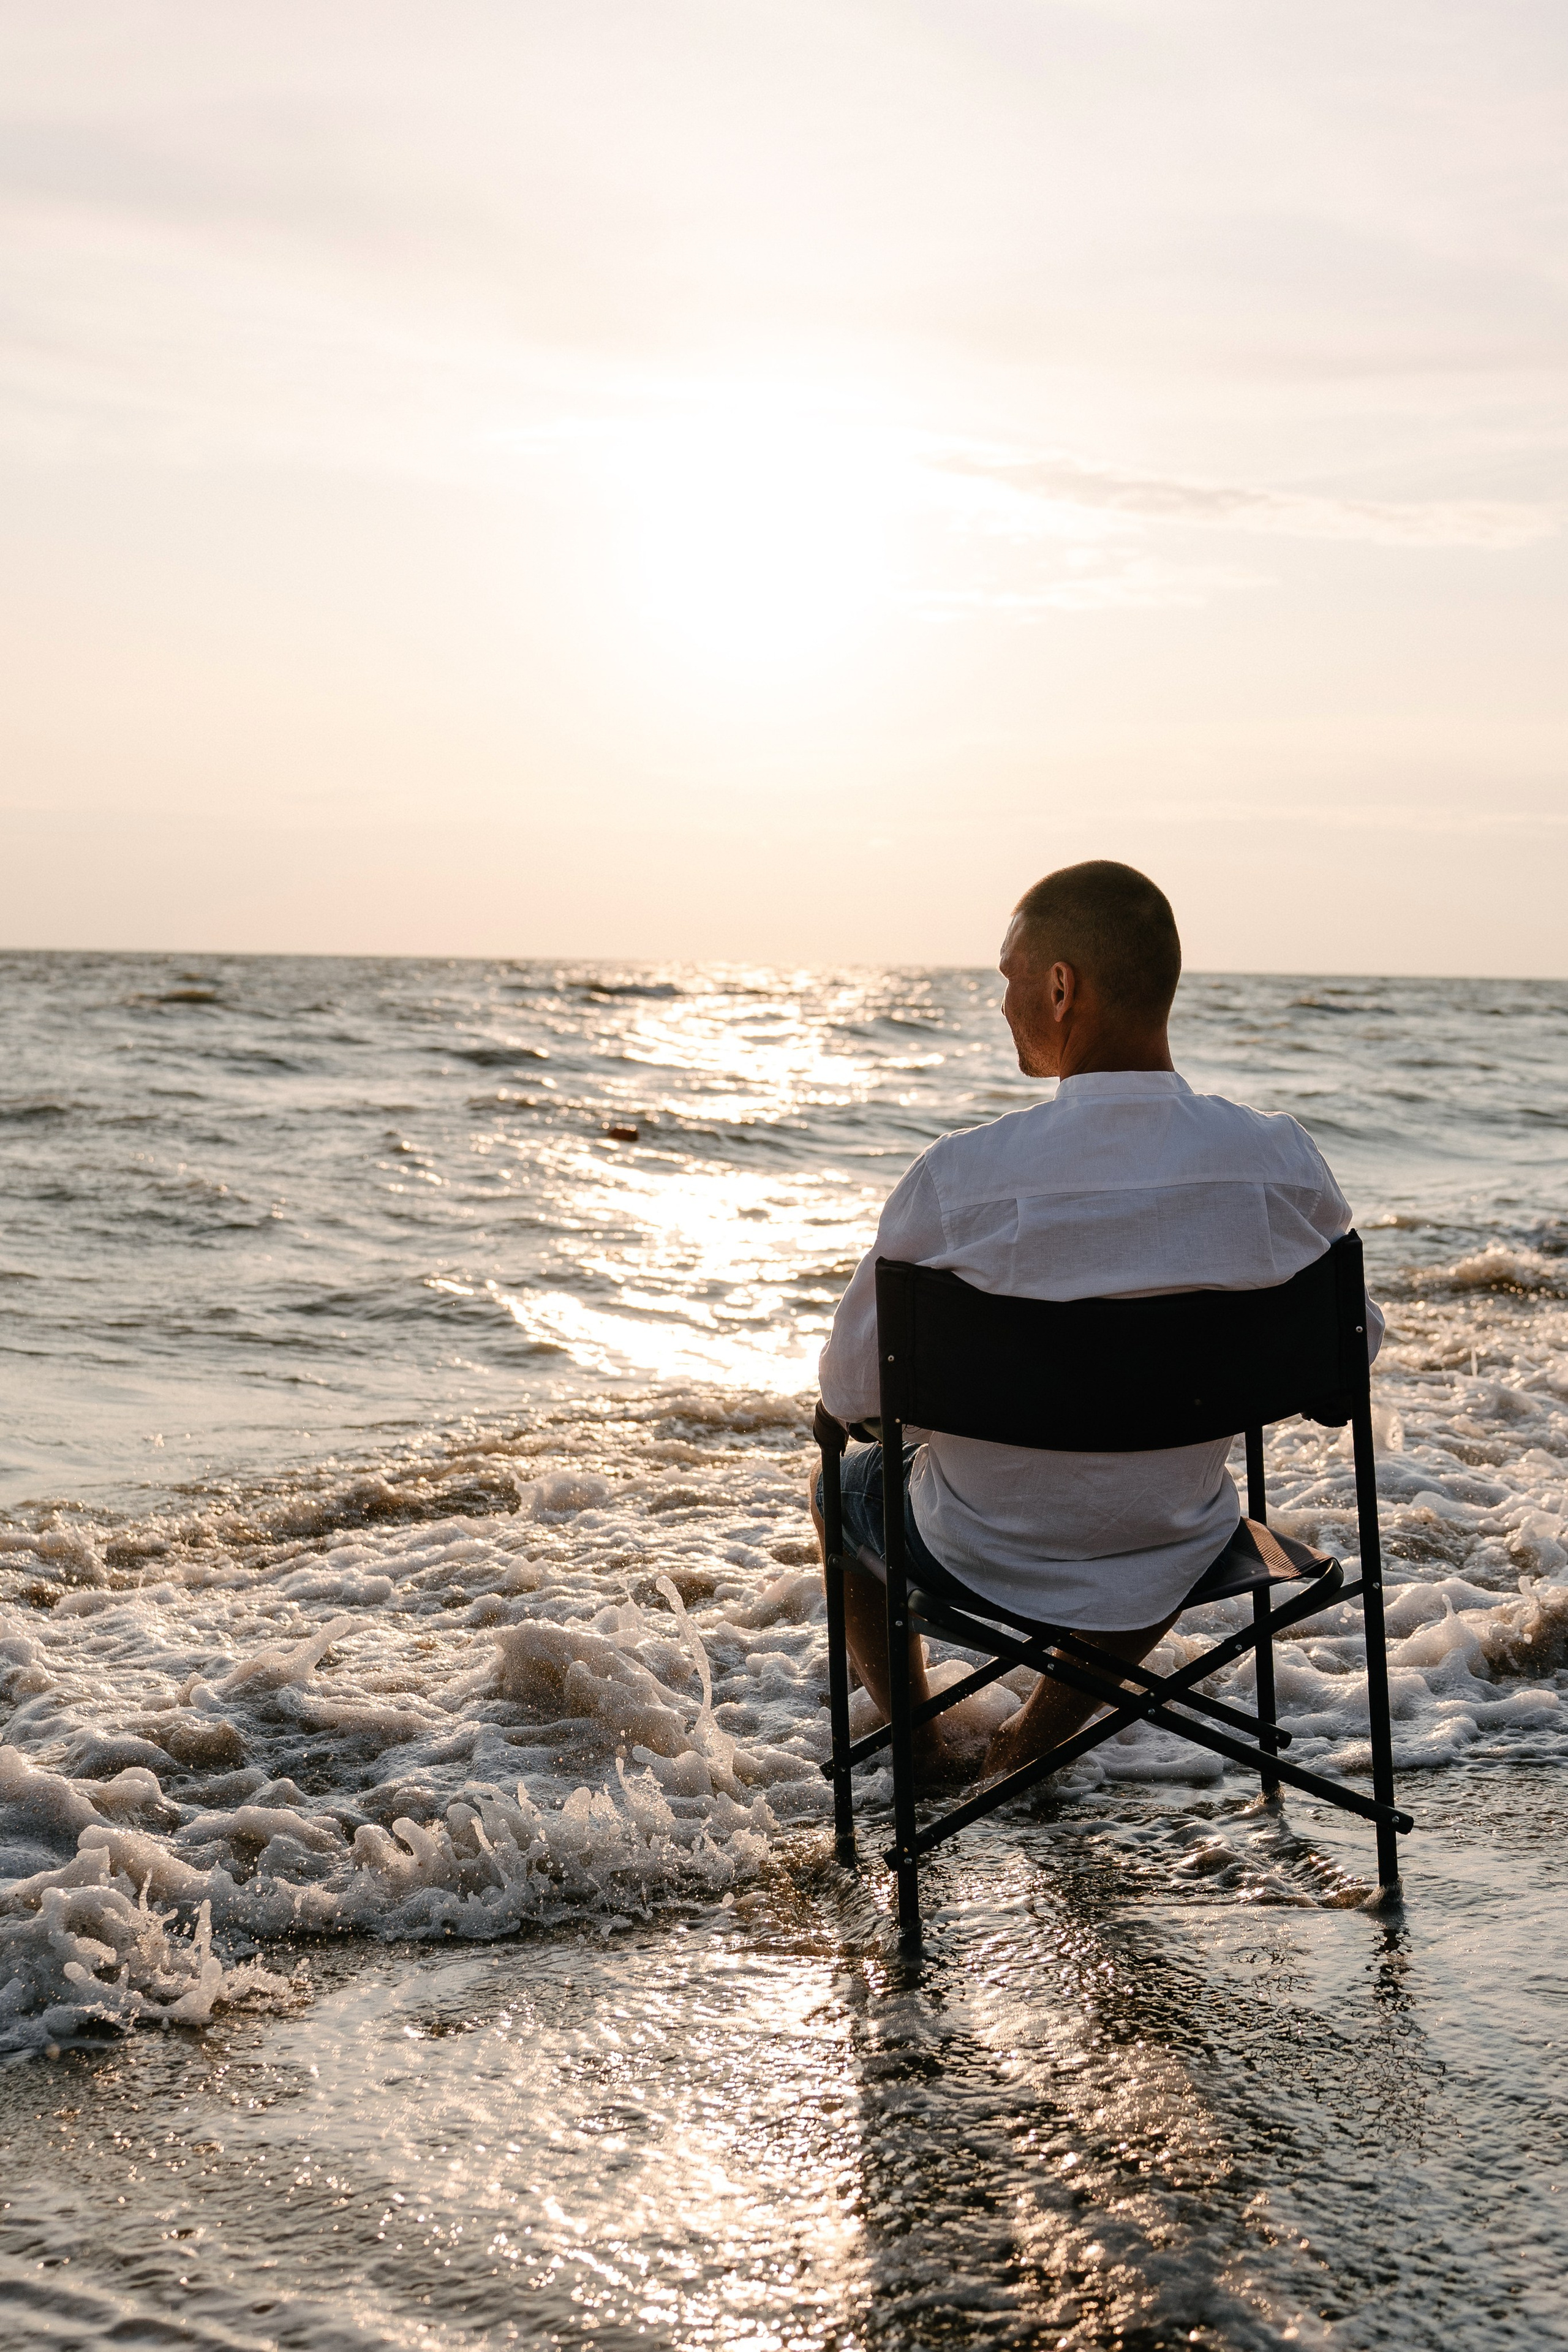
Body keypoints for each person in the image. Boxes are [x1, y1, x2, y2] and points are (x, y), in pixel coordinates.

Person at [810, 859, 1382, 1785]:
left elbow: (852, 1394)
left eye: (1009, 976)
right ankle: (1028, 1749)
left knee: (840, 1484)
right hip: (1182, 1538)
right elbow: (1346, 1355)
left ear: (1062, 986)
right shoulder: (1278, 1164)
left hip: (977, 1547)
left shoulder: (959, 1178)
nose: (1002, 1002)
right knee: (1146, 1509)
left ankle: (917, 1755)